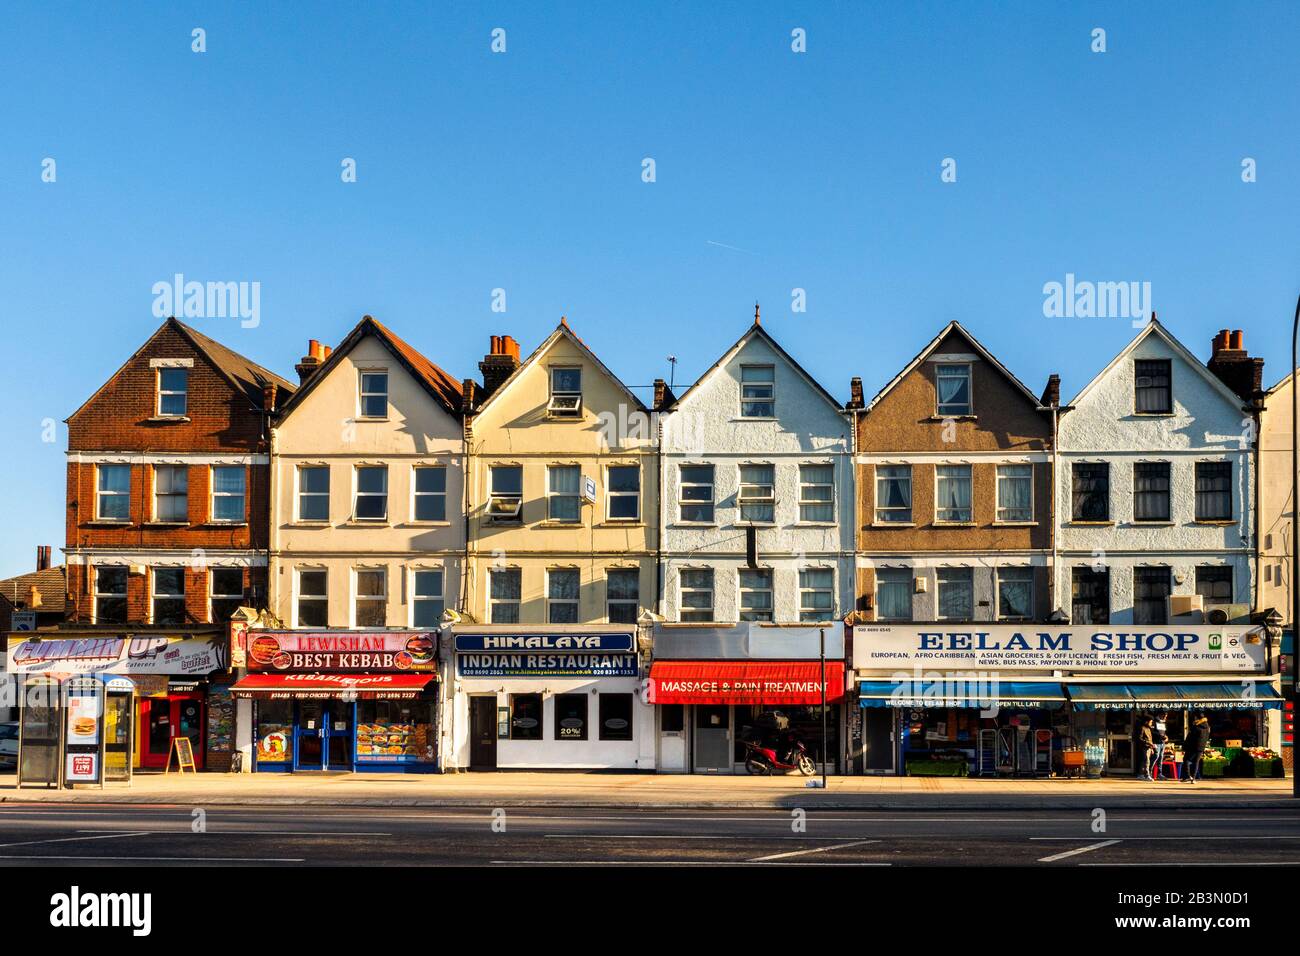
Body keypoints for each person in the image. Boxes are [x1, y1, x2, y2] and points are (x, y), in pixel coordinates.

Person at [1183, 712, 1210, 784]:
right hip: (1201, 747)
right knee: (1196, 762)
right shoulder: (1207, 727)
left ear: (1196, 718)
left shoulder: (1196, 726)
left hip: (1193, 746)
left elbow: (1190, 738)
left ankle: (1188, 776)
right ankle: (1193, 778)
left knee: (1186, 760)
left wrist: (1185, 746)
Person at [1137, 716, 1156, 781]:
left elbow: (1150, 739)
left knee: (1145, 761)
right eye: (1150, 722)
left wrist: (1152, 747)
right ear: (1146, 722)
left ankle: (1141, 774)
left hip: (1149, 747)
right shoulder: (1142, 728)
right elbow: (1139, 738)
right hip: (1144, 747)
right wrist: (1148, 743)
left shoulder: (1148, 729)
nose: (1151, 723)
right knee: (1146, 761)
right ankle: (1146, 775)